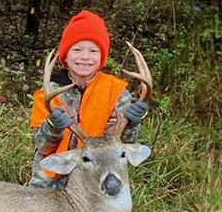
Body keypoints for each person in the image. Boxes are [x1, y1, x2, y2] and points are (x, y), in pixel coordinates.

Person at [29, 10, 148, 189]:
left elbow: (121, 145)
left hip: (98, 177)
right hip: (51, 180)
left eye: (93, 51)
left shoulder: (116, 92)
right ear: (65, 57)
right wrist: (53, 127)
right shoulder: (48, 95)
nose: (85, 57)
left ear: (101, 58)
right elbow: (42, 147)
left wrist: (132, 122)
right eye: (77, 49)